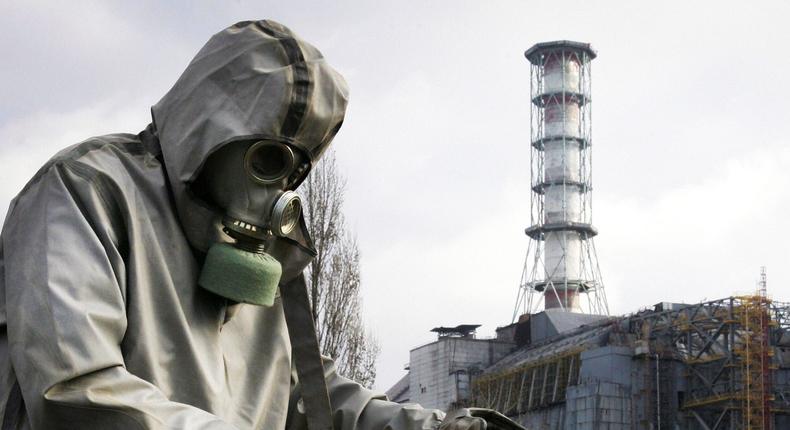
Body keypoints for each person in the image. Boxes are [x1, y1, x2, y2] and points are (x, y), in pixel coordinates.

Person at [0, 20, 513, 430]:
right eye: (267, 160)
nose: (278, 189)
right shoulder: (88, 190)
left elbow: (307, 395)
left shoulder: (264, 253)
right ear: (210, 132)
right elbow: (76, 391)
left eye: (297, 168)